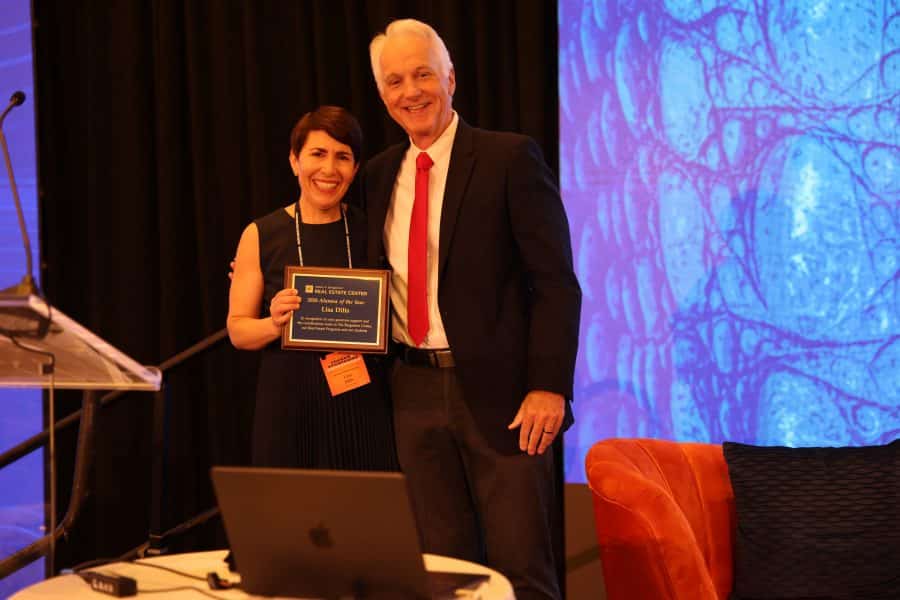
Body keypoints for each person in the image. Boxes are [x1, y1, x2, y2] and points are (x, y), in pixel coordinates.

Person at [363, 19, 581, 600]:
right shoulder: (378, 175)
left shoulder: (509, 158)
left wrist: (549, 386)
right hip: (410, 390)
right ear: (384, 97)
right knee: (442, 573)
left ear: (451, 78)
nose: (411, 91)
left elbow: (556, 283)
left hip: (506, 396)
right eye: (395, 81)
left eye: (422, 74)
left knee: (521, 572)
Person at [227, 105, 398, 472]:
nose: (329, 169)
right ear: (294, 160)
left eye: (343, 157)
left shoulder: (377, 231)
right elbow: (238, 330)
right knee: (289, 520)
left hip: (363, 405)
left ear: (354, 169)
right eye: (317, 154)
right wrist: (274, 323)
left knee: (365, 518)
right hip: (289, 406)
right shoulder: (261, 234)